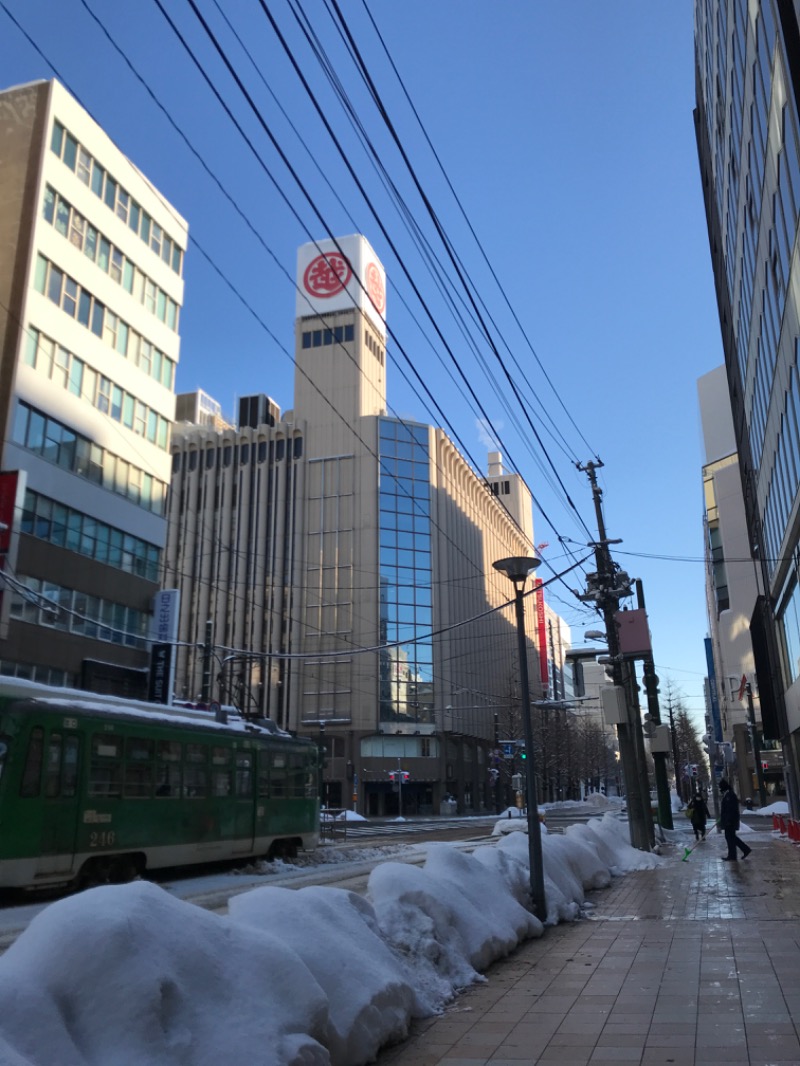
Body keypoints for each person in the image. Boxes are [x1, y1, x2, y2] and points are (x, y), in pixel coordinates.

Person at [718, 779, 752, 861]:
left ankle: (733, 855)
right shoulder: (728, 795)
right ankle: (745, 850)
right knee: (731, 837)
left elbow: (731, 810)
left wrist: (728, 820)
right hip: (729, 821)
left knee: (730, 838)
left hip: (730, 821)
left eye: (720, 788)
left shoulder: (730, 796)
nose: (720, 790)